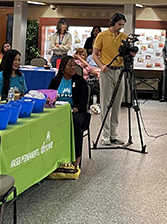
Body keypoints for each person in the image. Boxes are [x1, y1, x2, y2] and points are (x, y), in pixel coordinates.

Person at [92, 13, 128, 145]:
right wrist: (101, 66)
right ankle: (105, 135)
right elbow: (94, 54)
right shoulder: (102, 36)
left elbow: (129, 55)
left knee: (117, 104)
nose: (121, 27)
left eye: (123, 25)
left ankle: (114, 134)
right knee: (106, 102)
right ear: (113, 23)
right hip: (107, 72)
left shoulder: (124, 37)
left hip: (120, 71)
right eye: (119, 24)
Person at [48, 56, 88, 170]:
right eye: (70, 65)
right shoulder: (55, 81)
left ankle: (77, 157)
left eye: (74, 65)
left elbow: (83, 101)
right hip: (57, 111)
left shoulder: (80, 81)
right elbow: (50, 96)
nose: (73, 67)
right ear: (62, 68)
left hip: (75, 112)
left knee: (75, 122)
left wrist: (74, 109)